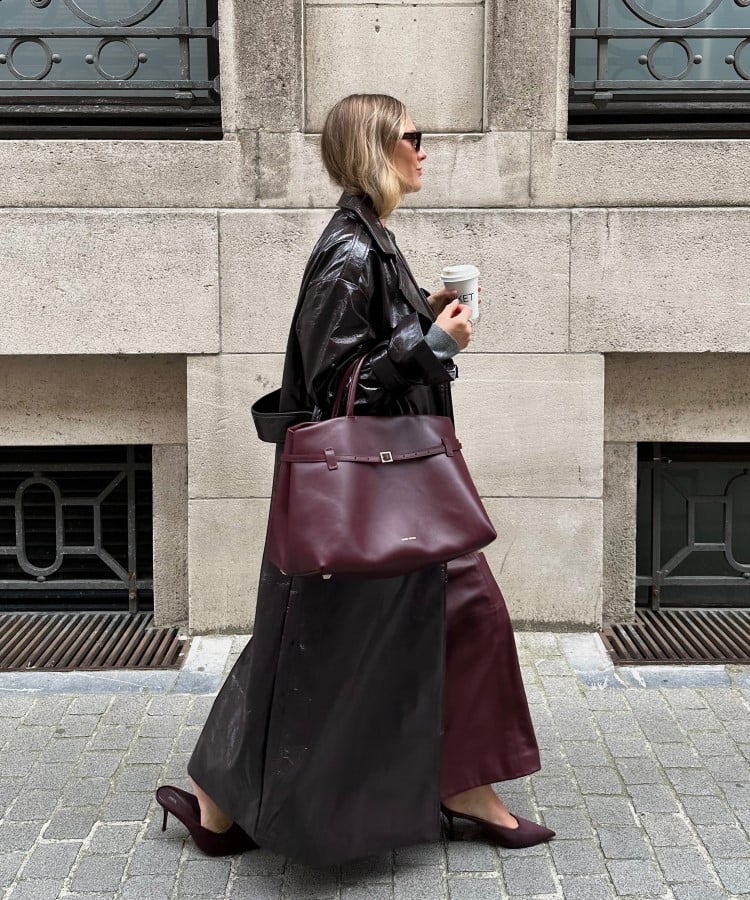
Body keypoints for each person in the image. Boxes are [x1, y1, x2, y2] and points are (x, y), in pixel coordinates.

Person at [156, 93, 554, 866]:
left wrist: (424, 313)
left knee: (457, 618)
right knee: (317, 643)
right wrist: (432, 343)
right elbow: (339, 389)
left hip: (405, 485)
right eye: (414, 136)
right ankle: (219, 800)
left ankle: (464, 785)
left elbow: (364, 351)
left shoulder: (373, 241)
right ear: (379, 148)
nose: (425, 149)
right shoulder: (349, 253)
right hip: (373, 489)